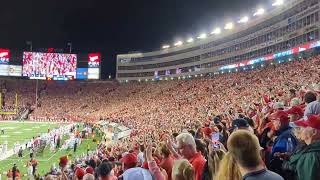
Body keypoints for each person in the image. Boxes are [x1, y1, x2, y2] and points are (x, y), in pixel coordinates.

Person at [288, 115, 320, 180]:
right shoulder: (310, 148)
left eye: (301, 128)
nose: (298, 131)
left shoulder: (312, 156)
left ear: (314, 132)